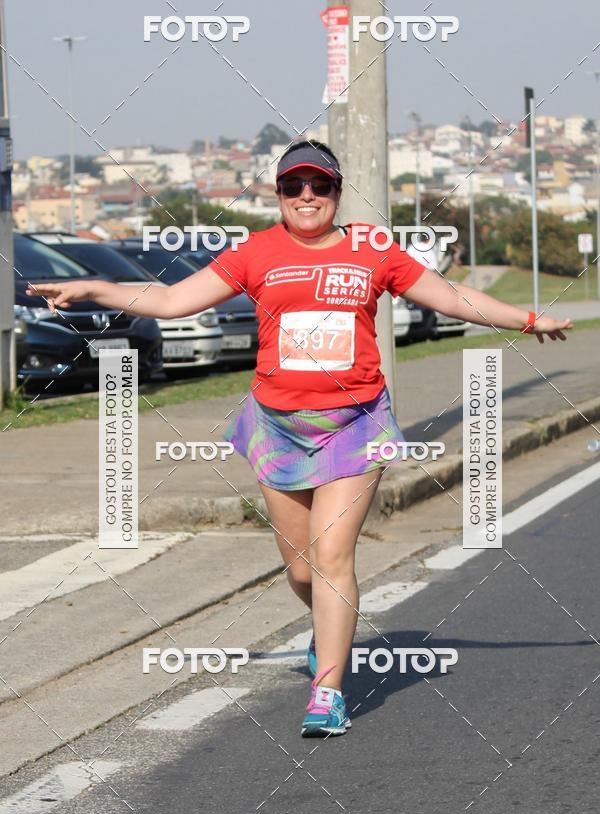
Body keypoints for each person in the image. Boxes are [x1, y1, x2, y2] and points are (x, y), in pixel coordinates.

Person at [28, 140, 572, 739]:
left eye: (319, 185)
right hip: (277, 424)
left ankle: (328, 693)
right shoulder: (257, 252)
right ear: (279, 194)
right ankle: (326, 629)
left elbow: (452, 297)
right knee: (304, 571)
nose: (307, 196)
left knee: (335, 557)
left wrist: (528, 319)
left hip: (356, 422)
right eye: (294, 186)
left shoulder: (373, 249)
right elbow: (171, 300)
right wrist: (95, 289)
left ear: (336, 192)